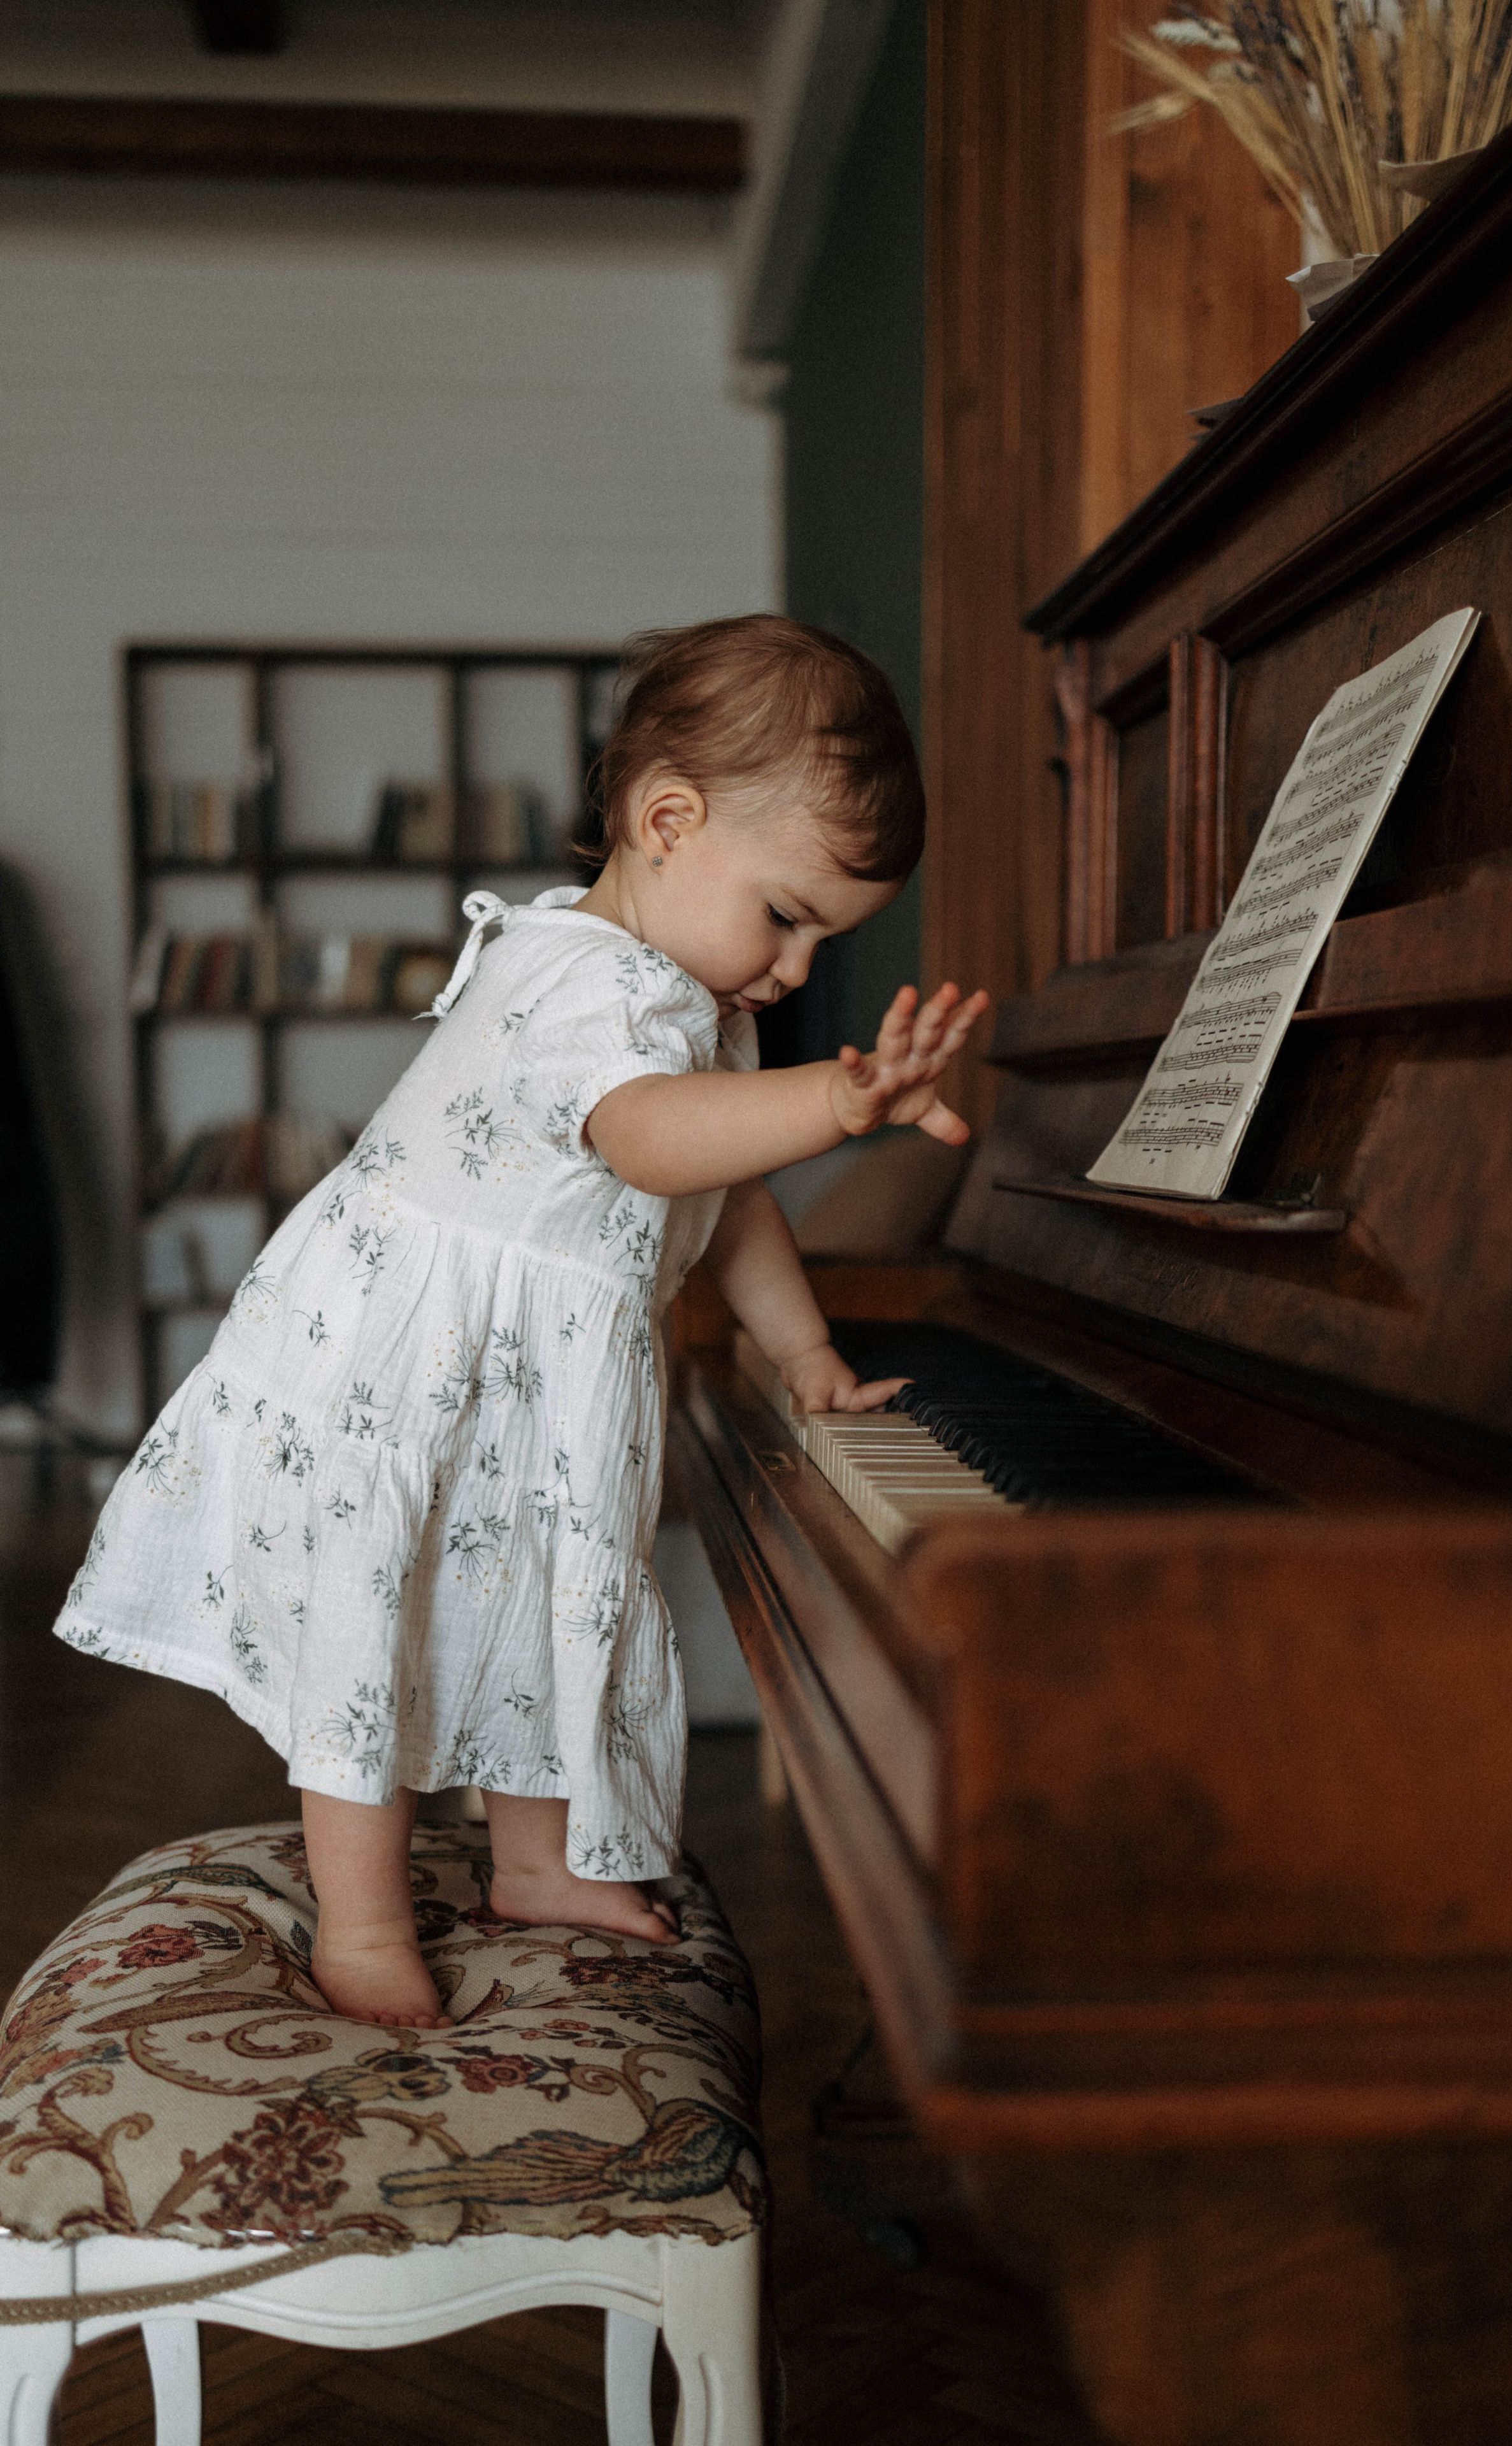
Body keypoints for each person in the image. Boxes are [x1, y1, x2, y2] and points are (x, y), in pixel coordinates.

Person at [54, 615, 987, 2029]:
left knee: (529, 1608)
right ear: (665, 820)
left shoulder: (697, 997)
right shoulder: (578, 979)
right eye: (787, 917)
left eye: (820, 940)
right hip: (405, 1361)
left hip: (530, 1375)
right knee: (384, 1620)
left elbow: (728, 1206)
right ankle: (360, 1927)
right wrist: (836, 1106)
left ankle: (534, 1864)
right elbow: (652, 1142)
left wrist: (804, 1357)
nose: (795, 972)